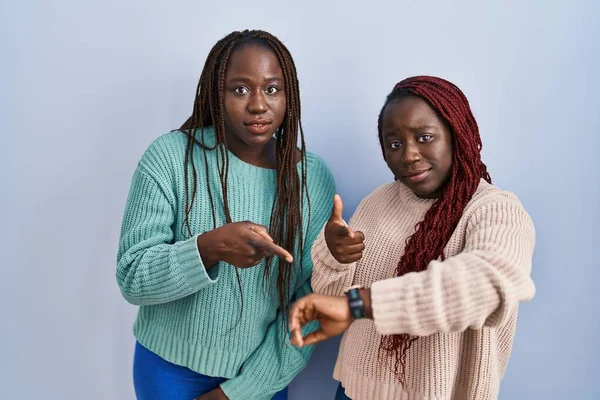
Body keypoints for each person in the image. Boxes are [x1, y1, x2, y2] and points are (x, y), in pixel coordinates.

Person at [116, 29, 335, 400]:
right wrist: (207, 248)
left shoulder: (312, 179)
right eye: (239, 89)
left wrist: (242, 391)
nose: (258, 105)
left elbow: (311, 298)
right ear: (216, 94)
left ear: (289, 95)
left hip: (258, 378)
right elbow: (132, 276)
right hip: (165, 369)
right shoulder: (170, 157)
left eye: (272, 88)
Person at [289, 76, 536, 400]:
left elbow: (484, 285)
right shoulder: (377, 201)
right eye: (394, 144)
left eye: (425, 137)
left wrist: (360, 303)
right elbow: (333, 298)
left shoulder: (495, 210)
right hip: (353, 390)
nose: (409, 155)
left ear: (457, 134)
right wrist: (335, 256)